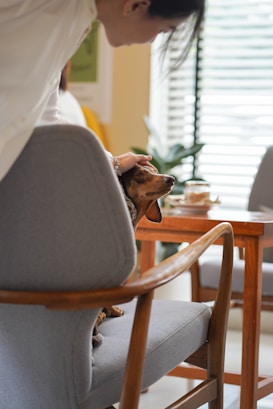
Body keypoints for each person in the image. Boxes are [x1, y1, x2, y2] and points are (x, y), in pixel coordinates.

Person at [0, 0, 205, 181]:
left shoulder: (76, 21)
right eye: (162, 30)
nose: (152, 40)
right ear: (136, 5)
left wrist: (110, 162)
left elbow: (47, 119)